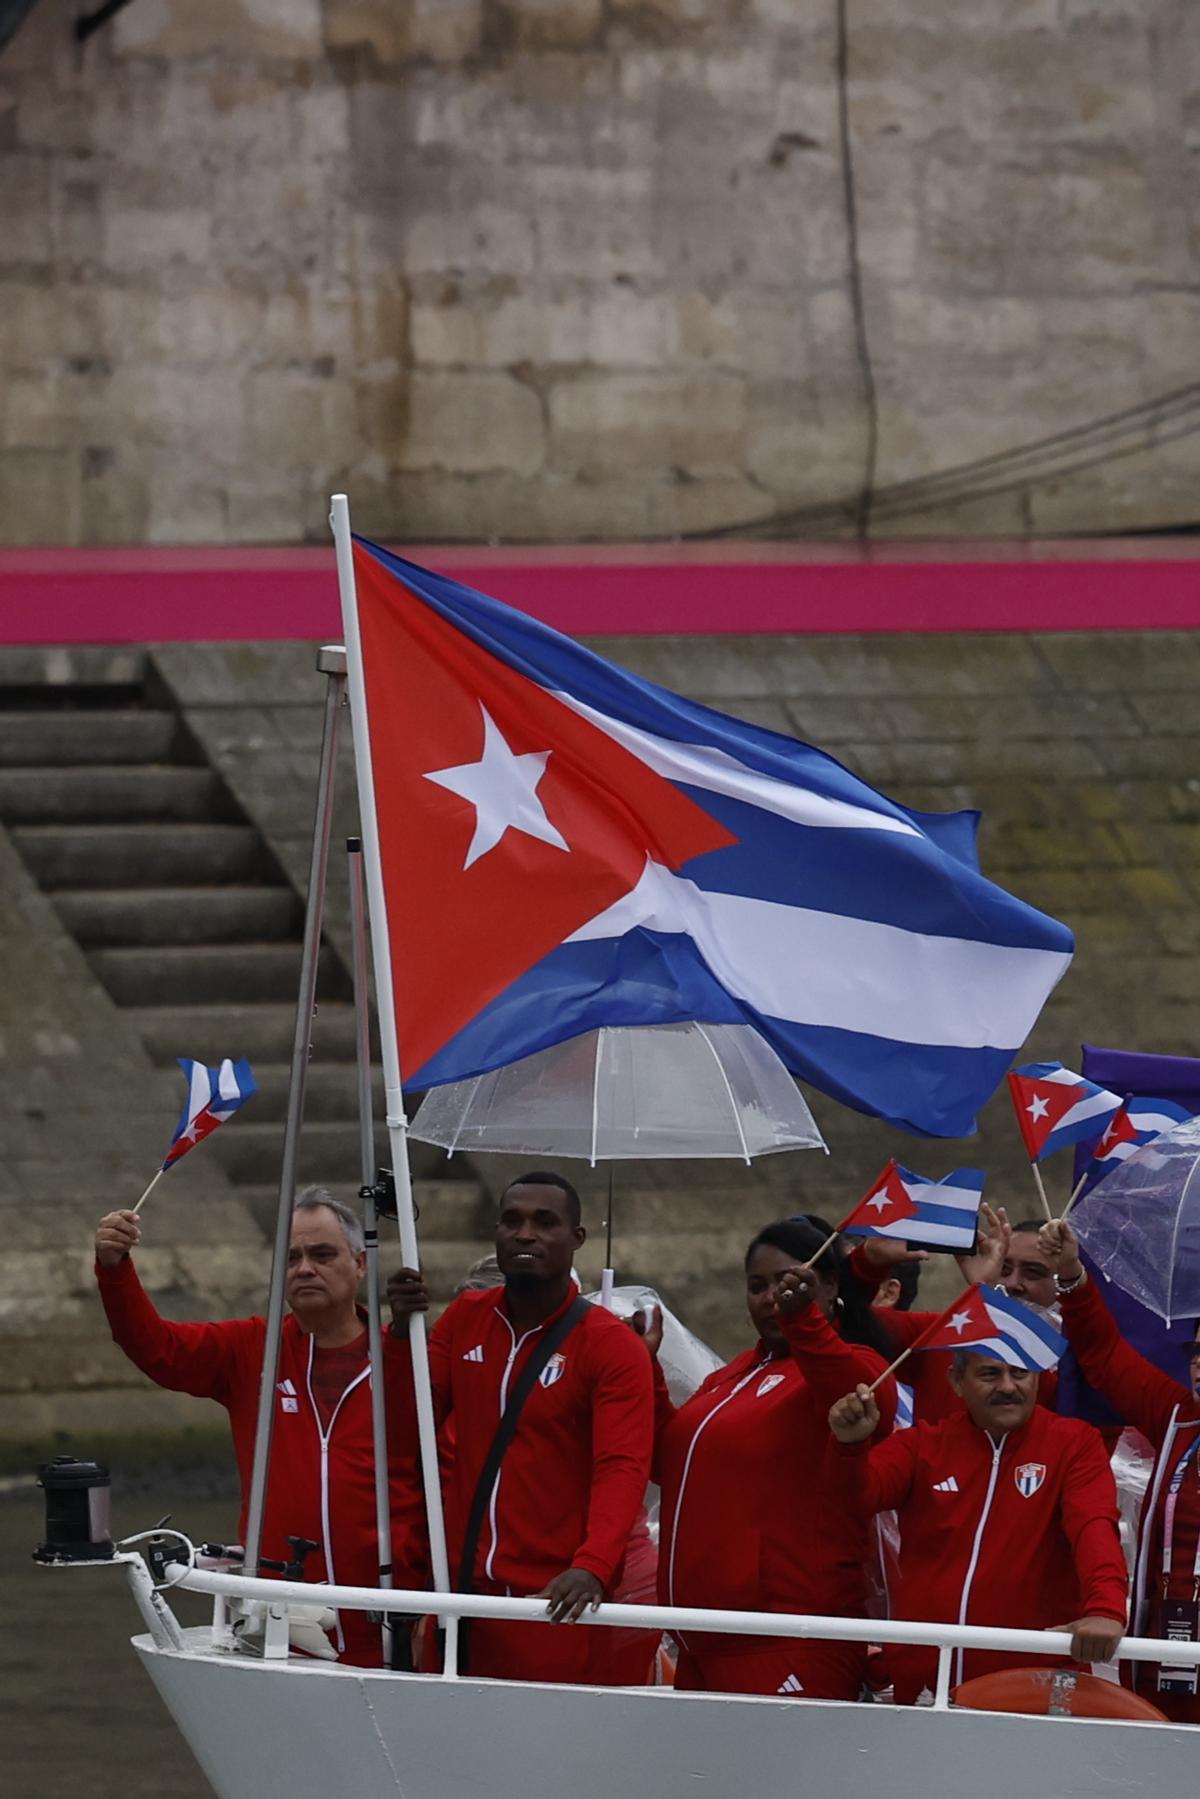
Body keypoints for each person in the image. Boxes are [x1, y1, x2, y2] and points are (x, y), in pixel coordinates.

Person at [95, 1187, 426, 1666]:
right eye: (291, 1257)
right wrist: (114, 1269)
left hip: (397, 1621)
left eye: (322, 1254)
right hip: (284, 1630)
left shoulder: (405, 1357)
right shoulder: (252, 1350)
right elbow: (154, 1347)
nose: (305, 1268)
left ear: (359, 1264)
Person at [400, 1170, 656, 1685]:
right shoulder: (465, 1318)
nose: (525, 1234)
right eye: (512, 1220)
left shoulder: (610, 1346)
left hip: (551, 1599)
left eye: (545, 1222)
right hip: (461, 1597)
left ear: (576, 1239)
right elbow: (411, 1425)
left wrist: (593, 1566)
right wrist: (397, 1333)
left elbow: (623, 1467)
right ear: (495, 1231)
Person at [645, 1215, 898, 1701]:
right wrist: (645, 1369)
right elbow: (673, 1467)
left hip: (788, 1639)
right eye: (756, 1286)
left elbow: (860, 1398)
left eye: (782, 1283)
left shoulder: (856, 1362)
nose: (767, 1298)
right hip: (701, 1640)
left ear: (828, 1287)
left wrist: (803, 1321)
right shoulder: (735, 1372)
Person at [827, 1350, 1127, 1703]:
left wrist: (1105, 1609)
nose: (1007, 1386)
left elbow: (1093, 1527)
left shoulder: (1074, 1443)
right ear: (956, 1382)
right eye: (989, 1374)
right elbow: (855, 1501)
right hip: (925, 1685)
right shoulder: (922, 1444)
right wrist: (850, 1447)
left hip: (1031, 1688)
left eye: (1020, 1373)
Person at [1040, 1217, 1200, 1723]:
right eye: (1198, 1353)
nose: (1199, 1366)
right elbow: (1104, 1355)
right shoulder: (1180, 1416)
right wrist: (1071, 1274)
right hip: (1168, 1646)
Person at [848, 1205, 1059, 1421]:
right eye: (1004, 1269)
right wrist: (866, 1263)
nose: (1013, 1283)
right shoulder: (942, 1332)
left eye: (1033, 1273)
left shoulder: (1075, 1357)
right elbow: (846, 1321)